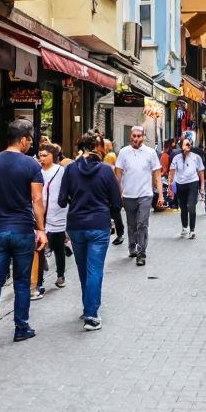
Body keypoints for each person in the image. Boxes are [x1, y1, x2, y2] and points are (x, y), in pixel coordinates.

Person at [0, 118, 48, 349]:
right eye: (30, 140)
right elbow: (37, 199)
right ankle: (21, 327)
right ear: (24, 139)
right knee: (21, 280)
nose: (31, 144)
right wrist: (41, 229)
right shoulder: (31, 165)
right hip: (22, 230)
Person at [57, 132, 121, 331]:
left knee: (83, 269)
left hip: (76, 225)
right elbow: (117, 203)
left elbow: (61, 200)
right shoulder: (105, 170)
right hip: (99, 225)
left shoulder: (70, 170)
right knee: (95, 270)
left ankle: (88, 307)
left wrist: (75, 201)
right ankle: (92, 314)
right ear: (98, 147)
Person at [115, 126, 161, 266]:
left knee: (142, 224)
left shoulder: (150, 153)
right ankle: (132, 246)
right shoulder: (123, 152)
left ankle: (141, 253)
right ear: (131, 136)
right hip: (128, 195)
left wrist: (161, 195)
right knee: (131, 224)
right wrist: (118, 193)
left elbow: (157, 175)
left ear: (143, 137)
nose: (136, 139)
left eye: (139, 136)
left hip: (145, 194)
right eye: (134, 136)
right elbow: (118, 175)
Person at [36, 144, 70, 294]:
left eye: (44, 155)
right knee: (39, 249)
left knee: (58, 247)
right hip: (40, 215)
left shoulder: (61, 171)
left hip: (57, 214)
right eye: (40, 155)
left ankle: (60, 275)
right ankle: (38, 281)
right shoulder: (36, 171)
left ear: (53, 156)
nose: (41, 158)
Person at [169, 139, 206, 239]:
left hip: (192, 184)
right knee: (183, 207)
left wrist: (202, 187)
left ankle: (192, 230)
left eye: (189, 144)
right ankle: (185, 227)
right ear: (181, 146)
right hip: (180, 184)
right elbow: (171, 174)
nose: (188, 146)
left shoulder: (196, 157)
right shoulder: (176, 158)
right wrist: (171, 189)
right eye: (186, 144)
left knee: (191, 207)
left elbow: (201, 172)